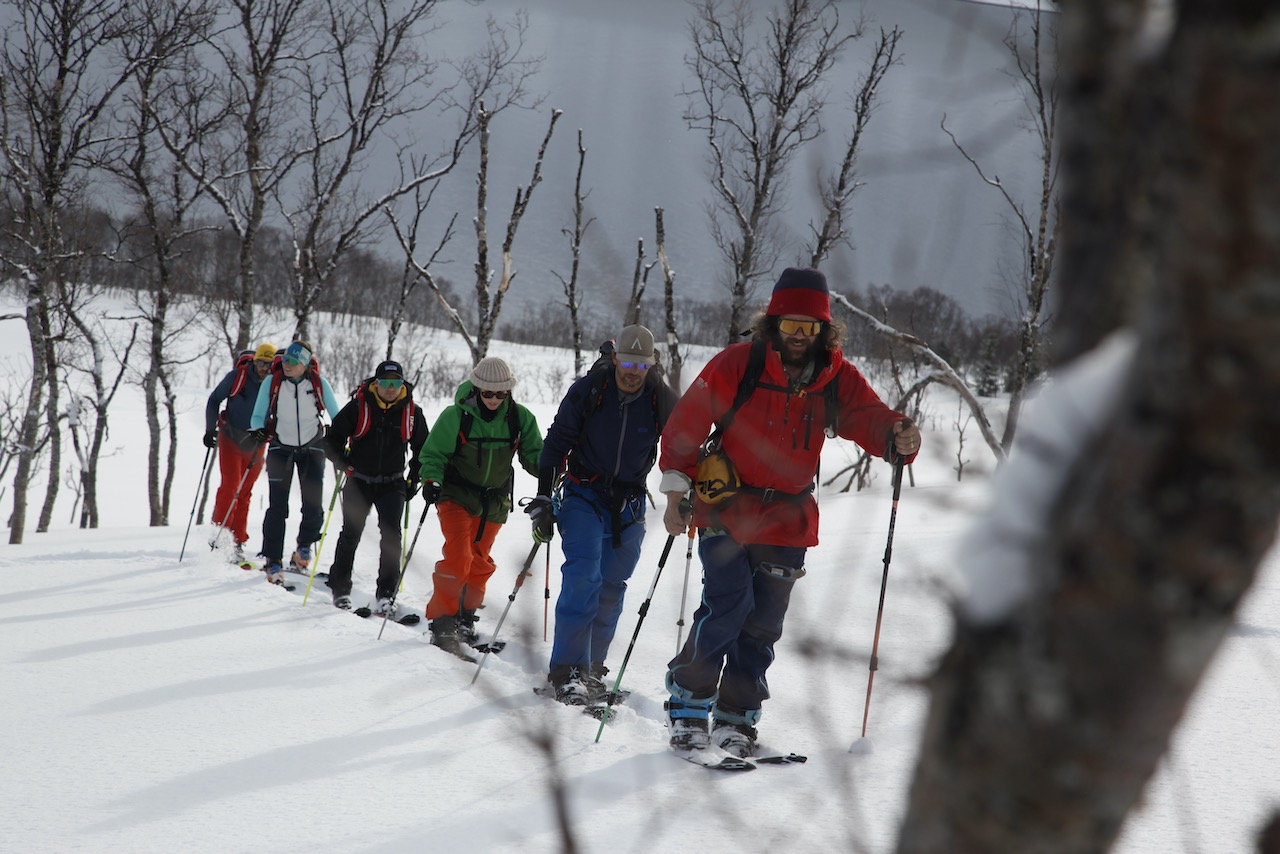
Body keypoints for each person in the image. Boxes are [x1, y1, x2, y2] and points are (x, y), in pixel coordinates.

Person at [656, 267, 922, 757]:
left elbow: (868, 417)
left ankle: (736, 720)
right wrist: (676, 491)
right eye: (790, 323)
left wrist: (897, 436)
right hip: (725, 509)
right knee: (726, 607)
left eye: (810, 325)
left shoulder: (835, 376)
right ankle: (688, 710)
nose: (799, 334)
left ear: (825, 329)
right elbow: (686, 424)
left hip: (787, 519)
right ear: (772, 320)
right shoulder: (740, 363)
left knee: (762, 624)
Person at [529, 324, 678, 704]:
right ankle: (567, 670)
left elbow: (682, 446)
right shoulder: (589, 390)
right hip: (583, 493)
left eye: (640, 365)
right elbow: (557, 441)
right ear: (615, 359)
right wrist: (545, 497)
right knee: (583, 576)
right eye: (626, 362)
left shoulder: (661, 398)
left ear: (651, 365)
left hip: (629, 502)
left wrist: (685, 490)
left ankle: (593, 667)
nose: (632, 371)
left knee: (612, 586)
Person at [418, 357, 543, 657]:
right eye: (488, 393)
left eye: (501, 394)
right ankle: (442, 620)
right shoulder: (456, 416)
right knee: (459, 556)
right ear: (477, 389)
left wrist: (557, 468)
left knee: (479, 561)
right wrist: (431, 479)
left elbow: (535, 456)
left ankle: (465, 617)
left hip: (494, 501)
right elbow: (433, 454)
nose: (494, 399)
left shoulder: (519, 418)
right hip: (455, 496)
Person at [323, 360, 428, 614]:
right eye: (385, 383)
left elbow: (423, 450)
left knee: (391, 538)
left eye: (396, 383)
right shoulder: (358, 407)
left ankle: (386, 595)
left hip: (393, 483)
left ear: (402, 384)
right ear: (376, 383)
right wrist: (344, 464)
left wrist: (415, 477)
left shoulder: (412, 412)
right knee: (351, 534)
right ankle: (341, 589)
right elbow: (330, 441)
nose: (390, 388)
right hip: (359, 480)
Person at [249, 339, 342, 586]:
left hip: (312, 447)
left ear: (305, 364)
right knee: (277, 507)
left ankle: (303, 546)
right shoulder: (273, 382)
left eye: (293, 361)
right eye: (285, 360)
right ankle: (273, 560)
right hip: (281, 448)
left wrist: (342, 438)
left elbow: (338, 416)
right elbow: (258, 415)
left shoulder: (319, 384)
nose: (286, 365)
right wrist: (258, 429)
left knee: (313, 505)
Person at [204, 343, 276, 565]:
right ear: (254, 361)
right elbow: (214, 399)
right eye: (261, 363)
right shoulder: (238, 376)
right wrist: (209, 429)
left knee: (244, 492)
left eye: (269, 364)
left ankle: (237, 542)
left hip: (256, 444)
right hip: (231, 437)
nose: (265, 368)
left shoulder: (276, 383)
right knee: (230, 486)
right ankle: (219, 537)